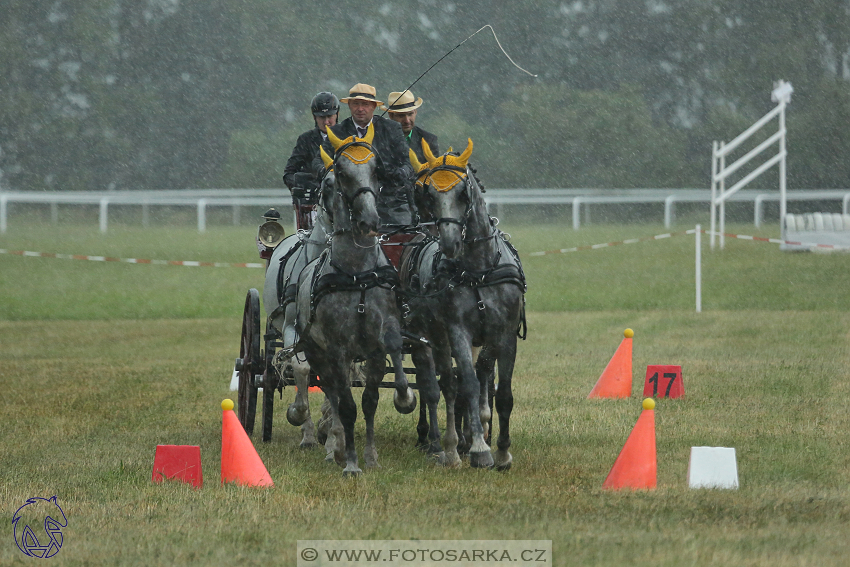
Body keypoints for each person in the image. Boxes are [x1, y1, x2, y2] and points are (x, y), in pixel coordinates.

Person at [315, 83, 414, 226]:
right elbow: (318, 160)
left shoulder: (391, 129)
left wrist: (401, 172)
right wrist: (329, 173)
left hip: (391, 204)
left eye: (365, 104)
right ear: (349, 105)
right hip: (349, 205)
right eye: (356, 104)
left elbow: (407, 162)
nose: (360, 109)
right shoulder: (337, 132)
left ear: (374, 107)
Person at [283, 92, 339, 229]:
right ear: (315, 117)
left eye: (329, 117)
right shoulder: (305, 140)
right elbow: (289, 173)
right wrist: (304, 185)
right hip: (313, 203)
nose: (326, 122)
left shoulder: (348, 137)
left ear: (337, 114)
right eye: (322, 118)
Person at [381, 90, 439, 163]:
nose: (407, 120)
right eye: (401, 115)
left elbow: (434, 171)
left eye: (410, 114)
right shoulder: (379, 138)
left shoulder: (429, 140)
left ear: (415, 112)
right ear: (391, 115)